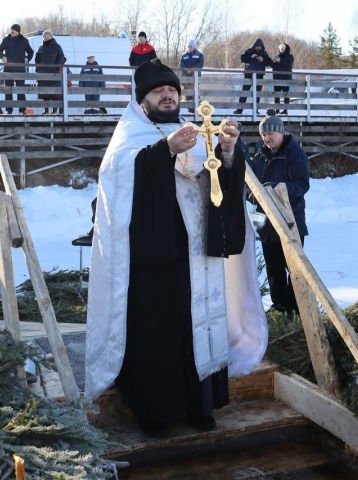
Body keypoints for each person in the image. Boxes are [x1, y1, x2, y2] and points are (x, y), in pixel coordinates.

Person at [85, 59, 268, 434]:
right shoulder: (130, 136)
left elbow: (218, 179)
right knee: (159, 333)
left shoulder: (197, 132)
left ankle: (200, 407)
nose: (167, 96)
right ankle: (156, 414)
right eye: (159, 92)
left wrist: (229, 152)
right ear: (142, 100)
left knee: (199, 325)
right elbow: (117, 176)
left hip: (198, 253)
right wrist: (164, 151)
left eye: (172, 91)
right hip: (154, 258)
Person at [247, 110, 309, 313]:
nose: (267, 137)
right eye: (264, 134)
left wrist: (277, 190)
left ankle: (297, 308)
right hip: (266, 222)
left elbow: (302, 185)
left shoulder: (294, 153)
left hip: (290, 221)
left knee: (295, 268)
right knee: (274, 270)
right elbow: (249, 188)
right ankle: (280, 308)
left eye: (271, 133)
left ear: (281, 133)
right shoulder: (259, 156)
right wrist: (256, 195)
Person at [0, 24, 34, 114]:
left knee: (20, 90)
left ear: (18, 32)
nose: (12, 31)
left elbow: (31, 52)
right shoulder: (6, 40)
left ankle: (22, 110)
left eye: (14, 30)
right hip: (8, 69)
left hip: (20, 69)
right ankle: (9, 110)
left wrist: (27, 58)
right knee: (8, 90)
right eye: (11, 29)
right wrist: (3, 56)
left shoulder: (24, 41)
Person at [235, 38, 271, 115]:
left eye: (260, 46)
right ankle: (239, 110)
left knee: (257, 94)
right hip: (248, 76)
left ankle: (255, 110)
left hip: (259, 76)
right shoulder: (249, 51)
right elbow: (242, 58)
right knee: (244, 93)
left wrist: (263, 60)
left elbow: (269, 62)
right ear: (254, 46)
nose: (258, 47)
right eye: (257, 46)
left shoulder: (264, 53)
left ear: (262, 46)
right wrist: (250, 56)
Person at [35, 30, 66, 115]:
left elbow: (62, 58)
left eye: (47, 36)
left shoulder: (57, 46)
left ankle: (54, 110)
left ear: (51, 36)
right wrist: (38, 69)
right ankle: (45, 110)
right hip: (42, 74)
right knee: (44, 94)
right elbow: (37, 59)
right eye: (44, 36)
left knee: (54, 94)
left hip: (54, 74)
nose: (45, 37)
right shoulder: (40, 47)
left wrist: (56, 67)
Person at [179, 39, 204, 112]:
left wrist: (192, 70)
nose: (190, 48)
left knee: (195, 92)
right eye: (189, 46)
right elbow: (181, 64)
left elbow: (200, 64)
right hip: (186, 77)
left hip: (195, 77)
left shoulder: (199, 55)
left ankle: (197, 108)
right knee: (188, 93)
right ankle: (190, 108)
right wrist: (186, 70)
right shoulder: (184, 55)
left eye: (191, 46)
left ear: (195, 47)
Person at [272, 43, 294, 114]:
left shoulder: (290, 57)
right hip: (277, 78)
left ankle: (285, 110)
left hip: (286, 78)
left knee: (286, 95)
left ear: (286, 49)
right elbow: (273, 66)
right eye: (281, 49)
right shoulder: (277, 56)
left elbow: (289, 64)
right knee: (277, 95)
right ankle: (277, 110)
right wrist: (273, 62)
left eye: (283, 49)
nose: (281, 50)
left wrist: (280, 61)